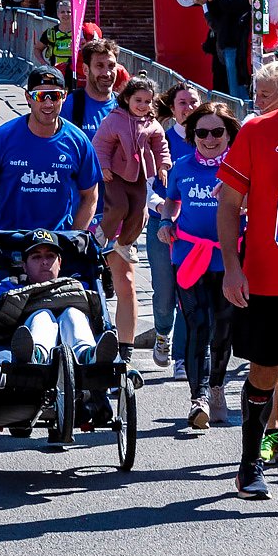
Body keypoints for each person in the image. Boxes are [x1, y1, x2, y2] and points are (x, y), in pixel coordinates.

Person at [218, 41, 278, 497]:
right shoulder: (257, 131)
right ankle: (250, 462)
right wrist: (232, 268)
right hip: (270, 282)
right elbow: (228, 205)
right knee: (264, 373)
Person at [158, 99, 241, 432]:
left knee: (223, 328)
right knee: (198, 326)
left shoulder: (239, 168)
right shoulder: (181, 167)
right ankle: (200, 398)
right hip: (188, 257)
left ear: (228, 134)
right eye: (202, 132)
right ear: (192, 135)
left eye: (217, 132)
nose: (209, 139)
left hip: (227, 258)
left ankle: (217, 386)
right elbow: (171, 201)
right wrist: (166, 222)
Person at [0, 65, 101, 234]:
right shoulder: (2, 138)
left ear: (64, 96)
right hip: (9, 241)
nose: (48, 103)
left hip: (57, 242)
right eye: (40, 96)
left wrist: (75, 236)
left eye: (55, 96)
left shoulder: (78, 142)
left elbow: (90, 196)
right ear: (28, 97)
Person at [0, 231, 118, 369]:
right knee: (43, 315)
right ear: (24, 266)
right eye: (36, 257)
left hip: (73, 337)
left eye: (50, 256)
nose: (44, 262)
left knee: (72, 313)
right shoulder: (11, 288)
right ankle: (36, 354)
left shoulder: (78, 285)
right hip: (28, 331)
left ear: (60, 262)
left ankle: (86, 355)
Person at [146, 81, 200, 372]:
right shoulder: (159, 140)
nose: (189, 108)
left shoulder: (210, 137)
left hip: (195, 228)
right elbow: (146, 188)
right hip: (162, 224)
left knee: (188, 293)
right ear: (172, 107)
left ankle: (183, 357)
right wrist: (164, 210)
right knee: (165, 294)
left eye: (194, 102)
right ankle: (162, 333)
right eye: (183, 103)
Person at [92, 74, 171, 258]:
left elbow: (161, 145)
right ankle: (103, 233)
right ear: (127, 99)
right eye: (138, 100)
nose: (143, 105)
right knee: (118, 206)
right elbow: (101, 143)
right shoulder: (114, 119)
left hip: (140, 174)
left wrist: (163, 165)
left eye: (147, 101)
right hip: (117, 173)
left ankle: (125, 243)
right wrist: (103, 166)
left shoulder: (152, 123)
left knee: (140, 213)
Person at [197, 0, 254, 100]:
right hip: (230, 44)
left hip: (239, 44)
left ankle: (245, 114)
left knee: (240, 91)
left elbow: (232, 5)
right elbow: (221, 14)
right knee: (234, 91)